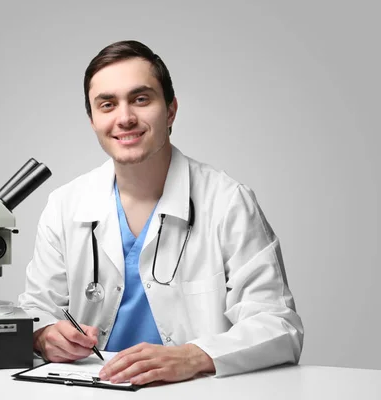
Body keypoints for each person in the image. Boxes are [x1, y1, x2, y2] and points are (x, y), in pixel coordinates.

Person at [17, 40, 304, 386]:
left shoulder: (227, 201)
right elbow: (34, 310)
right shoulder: (65, 205)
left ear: (170, 111)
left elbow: (279, 325)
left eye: (141, 99)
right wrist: (44, 335)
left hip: (194, 392)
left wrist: (193, 356)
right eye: (107, 104)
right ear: (93, 120)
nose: (124, 118)